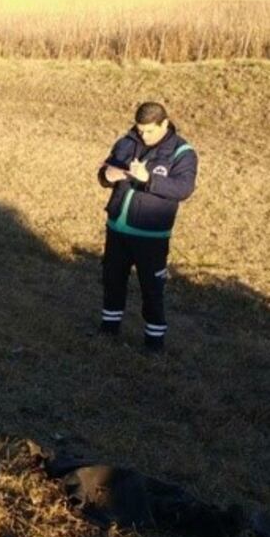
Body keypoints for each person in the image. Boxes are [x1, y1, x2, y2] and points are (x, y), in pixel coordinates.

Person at [97, 102, 198, 351]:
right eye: (140, 130)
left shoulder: (182, 152)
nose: (143, 135)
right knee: (112, 280)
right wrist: (106, 176)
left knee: (151, 289)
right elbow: (105, 170)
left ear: (165, 123)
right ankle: (108, 330)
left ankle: (154, 341)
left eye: (150, 131)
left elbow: (183, 189)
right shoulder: (126, 142)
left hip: (151, 235)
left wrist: (149, 180)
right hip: (117, 227)